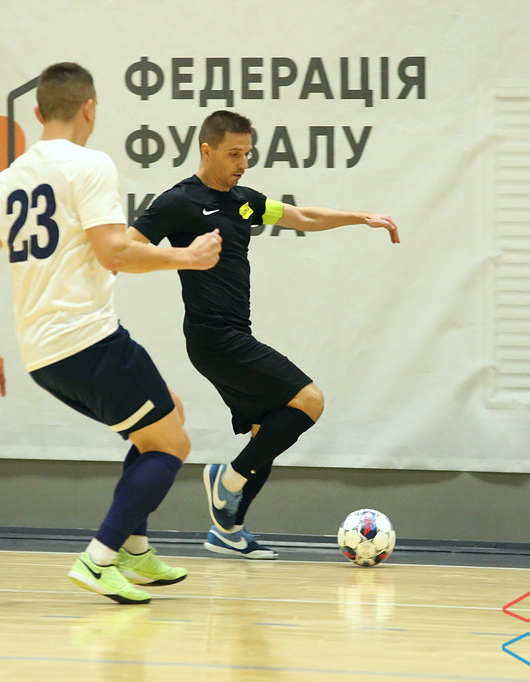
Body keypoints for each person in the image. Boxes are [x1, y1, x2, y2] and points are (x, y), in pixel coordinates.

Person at [0, 63, 222, 603]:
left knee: (166, 413)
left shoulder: (12, 177)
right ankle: (99, 557)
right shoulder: (89, 164)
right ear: (90, 108)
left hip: (42, 354)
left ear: (37, 111)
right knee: (173, 444)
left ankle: (134, 550)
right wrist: (187, 257)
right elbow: (114, 253)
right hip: (86, 339)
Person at [128, 110, 398, 560]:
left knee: (267, 431)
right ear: (207, 150)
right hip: (214, 337)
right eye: (234, 154)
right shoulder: (180, 202)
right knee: (309, 400)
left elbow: (302, 217)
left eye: (248, 154)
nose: (243, 163)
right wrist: (184, 256)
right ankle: (228, 480)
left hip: (233, 332)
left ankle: (227, 531)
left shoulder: (244, 202)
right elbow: (127, 248)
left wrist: (361, 217)